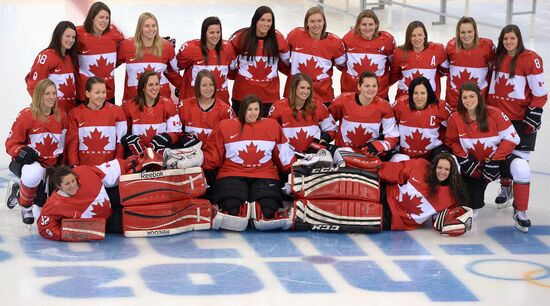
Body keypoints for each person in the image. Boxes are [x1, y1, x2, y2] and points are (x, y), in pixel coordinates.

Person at [445, 83, 534, 232]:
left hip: (497, 163)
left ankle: (520, 211)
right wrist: (465, 158)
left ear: (479, 96)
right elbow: (451, 141)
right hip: (475, 168)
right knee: (471, 213)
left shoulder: (495, 113)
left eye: (471, 96)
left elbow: (512, 138)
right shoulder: (455, 117)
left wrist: (495, 160)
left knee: (522, 167)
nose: (468, 100)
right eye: (465, 97)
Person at [203, 95, 296, 219]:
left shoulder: (272, 126)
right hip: (232, 173)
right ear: (243, 110)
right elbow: (213, 155)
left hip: (265, 174)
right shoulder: (225, 126)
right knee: (231, 208)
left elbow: (283, 155)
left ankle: (257, 209)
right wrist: (199, 160)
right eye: (249, 109)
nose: (253, 113)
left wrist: (297, 167)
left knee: (268, 210)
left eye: (256, 109)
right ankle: (239, 208)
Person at [487, 24, 547, 208]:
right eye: (505, 38)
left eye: (512, 38)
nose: (509, 42)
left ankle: (520, 202)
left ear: (519, 39)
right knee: (502, 155)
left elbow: (540, 92)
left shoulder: (530, 59)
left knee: (520, 160)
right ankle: (506, 187)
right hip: (498, 117)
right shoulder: (497, 58)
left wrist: (535, 112)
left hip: (520, 118)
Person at [5, 79, 67, 224]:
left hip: (51, 167)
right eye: (47, 93)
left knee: (42, 216)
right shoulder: (26, 115)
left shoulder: (62, 116)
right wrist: (21, 152)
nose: (51, 97)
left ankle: (19, 191)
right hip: (30, 165)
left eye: (53, 93)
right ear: (39, 95)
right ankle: (25, 206)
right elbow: (10, 143)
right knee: (34, 173)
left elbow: (66, 143)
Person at [378, 153, 469, 231]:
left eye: (446, 169)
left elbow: (440, 222)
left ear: (452, 172)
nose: (442, 172)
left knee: (366, 214)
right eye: (439, 167)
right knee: (366, 188)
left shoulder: (452, 197)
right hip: (387, 194)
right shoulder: (419, 166)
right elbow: (393, 171)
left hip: (395, 218)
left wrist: (462, 218)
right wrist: (370, 167)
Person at [37, 159, 123, 241]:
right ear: (59, 186)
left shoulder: (84, 172)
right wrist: (75, 233)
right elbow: (44, 228)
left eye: (73, 181)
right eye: (67, 184)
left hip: (111, 201)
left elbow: (112, 169)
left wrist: (129, 165)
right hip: (107, 224)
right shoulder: (54, 204)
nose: (72, 185)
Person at [230, 6, 290, 116]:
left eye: (269, 20)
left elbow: (286, 66)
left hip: (269, 99)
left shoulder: (278, 40)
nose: (266, 24)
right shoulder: (240, 38)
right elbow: (230, 67)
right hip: (242, 97)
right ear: (255, 20)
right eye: (262, 20)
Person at [285, 6, 346, 106]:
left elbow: (342, 65)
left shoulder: (335, 43)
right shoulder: (295, 35)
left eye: (319, 21)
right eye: (312, 21)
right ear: (307, 23)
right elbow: (283, 57)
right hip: (295, 94)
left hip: (322, 96)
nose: (316, 25)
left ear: (324, 22)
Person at [329, 71, 399, 158]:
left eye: (374, 86)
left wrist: (381, 145)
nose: (371, 89)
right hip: (343, 153)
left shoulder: (385, 106)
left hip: (369, 155)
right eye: (367, 86)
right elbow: (327, 125)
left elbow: (392, 136)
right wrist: (325, 141)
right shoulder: (343, 101)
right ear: (359, 86)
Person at [117, 12, 181, 102]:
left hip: (161, 101)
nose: (151, 29)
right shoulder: (127, 46)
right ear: (140, 28)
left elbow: (172, 73)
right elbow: (111, 65)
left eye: (154, 26)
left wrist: (184, 87)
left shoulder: (166, 46)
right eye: (147, 26)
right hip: (133, 102)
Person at [268, 73, 337, 154]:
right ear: (294, 88)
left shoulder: (318, 106)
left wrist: (323, 140)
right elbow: (268, 132)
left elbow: (331, 129)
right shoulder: (278, 106)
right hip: (287, 155)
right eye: (302, 88)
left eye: (308, 88)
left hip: (313, 154)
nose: (306, 91)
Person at [67, 77, 126, 167]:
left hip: (110, 170)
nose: (101, 96)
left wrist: (117, 165)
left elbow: (120, 143)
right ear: (87, 93)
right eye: (97, 92)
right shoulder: (75, 113)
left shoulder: (117, 112)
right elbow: (72, 143)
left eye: (104, 92)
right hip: (85, 169)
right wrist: (75, 166)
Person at [176, 16, 237, 104]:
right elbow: (173, 68)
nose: (216, 36)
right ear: (204, 33)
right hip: (194, 104)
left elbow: (232, 73)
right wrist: (181, 86)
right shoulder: (190, 49)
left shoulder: (228, 48)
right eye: (212, 33)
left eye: (218, 32)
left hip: (220, 103)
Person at [121, 70, 182, 156]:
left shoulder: (168, 104)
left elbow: (176, 132)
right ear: (143, 87)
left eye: (157, 84)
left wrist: (166, 138)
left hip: (162, 153)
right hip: (137, 154)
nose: (155, 88)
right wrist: (129, 139)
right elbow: (122, 134)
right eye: (150, 85)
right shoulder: (128, 106)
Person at [76, 1, 124, 105]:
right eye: (101, 17)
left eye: (107, 18)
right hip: (86, 94)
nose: (104, 21)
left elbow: (126, 48)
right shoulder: (79, 34)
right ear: (92, 18)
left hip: (108, 93)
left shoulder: (114, 33)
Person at [392, 76, 450, 162]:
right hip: (404, 154)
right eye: (415, 93)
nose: (419, 97)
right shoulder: (400, 105)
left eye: (423, 93)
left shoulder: (440, 107)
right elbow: (389, 126)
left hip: (433, 152)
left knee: (445, 162)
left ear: (429, 93)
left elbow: (453, 127)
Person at [340, 9, 395, 100]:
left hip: (379, 94)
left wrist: (384, 83)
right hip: (352, 93)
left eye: (371, 24)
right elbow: (341, 64)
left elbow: (394, 66)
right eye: (364, 24)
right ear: (358, 26)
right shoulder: (348, 39)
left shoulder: (387, 41)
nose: (367, 28)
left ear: (376, 25)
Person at [25, 21, 78, 113]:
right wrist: (44, 109)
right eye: (67, 36)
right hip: (53, 112)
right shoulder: (47, 56)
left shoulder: (70, 57)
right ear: (59, 35)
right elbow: (34, 85)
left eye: (73, 37)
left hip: (69, 112)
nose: (71, 40)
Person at [390, 20, 448, 101]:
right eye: (413, 35)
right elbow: (394, 75)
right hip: (406, 98)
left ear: (425, 35)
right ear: (408, 37)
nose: (417, 38)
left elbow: (445, 71)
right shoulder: (399, 53)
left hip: (430, 98)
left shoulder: (437, 50)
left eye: (420, 35)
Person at [445, 16, 494, 111]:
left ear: (475, 32)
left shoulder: (487, 47)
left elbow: (495, 68)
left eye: (470, 32)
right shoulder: (451, 47)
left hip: (478, 104)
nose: (466, 35)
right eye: (463, 32)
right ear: (458, 33)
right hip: (455, 103)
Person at [179, 69, 234, 146]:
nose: (208, 88)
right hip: (188, 153)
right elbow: (176, 131)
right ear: (198, 86)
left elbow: (231, 137)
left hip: (214, 154)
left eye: (211, 85)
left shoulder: (225, 110)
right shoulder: (184, 106)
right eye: (204, 85)